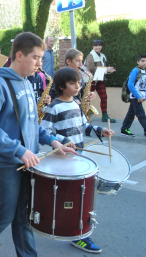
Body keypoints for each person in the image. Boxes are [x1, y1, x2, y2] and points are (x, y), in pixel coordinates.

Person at [0, 32, 76, 257]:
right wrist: (19, 150)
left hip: (27, 160)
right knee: (3, 215)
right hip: (3, 164)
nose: (40, 63)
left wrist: (53, 141)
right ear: (19, 55)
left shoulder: (26, 83)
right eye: (35, 57)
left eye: (41, 58)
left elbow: (32, 124)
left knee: (25, 215)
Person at [40, 67, 114, 254]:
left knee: (80, 197)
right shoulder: (54, 106)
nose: (77, 86)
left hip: (79, 159)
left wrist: (99, 131)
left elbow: (84, 126)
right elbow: (45, 131)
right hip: (63, 159)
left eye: (78, 83)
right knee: (74, 198)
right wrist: (64, 141)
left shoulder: (77, 104)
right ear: (61, 86)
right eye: (73, 83)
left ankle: (75, 231)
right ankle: (77, 234)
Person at [84, 40, 116, 122]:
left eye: (99, 45)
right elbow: (92, 69)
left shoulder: (102, 56)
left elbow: (103, 68)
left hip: (99, 79)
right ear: (92, 47)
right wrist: (106, 70)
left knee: (104, 97)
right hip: (91, 80)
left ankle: (104, 116)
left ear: (101, 46)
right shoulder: (90, 56)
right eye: (96, 45)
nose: (98, 47)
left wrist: (108, 70)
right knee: (87, 98)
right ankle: (83, 114)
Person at [121, 54, 146, 137]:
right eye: (142, 61)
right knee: (141, 114)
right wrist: (138, 96)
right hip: (135, 97)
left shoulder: (144, 71)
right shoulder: (136, 70)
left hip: (140, 97)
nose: (144, 63)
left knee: (131, 113)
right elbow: (130, 84)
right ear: (138, 62)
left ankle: (124, 129)